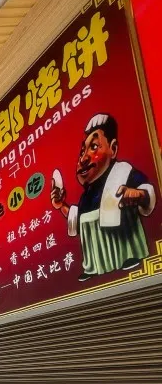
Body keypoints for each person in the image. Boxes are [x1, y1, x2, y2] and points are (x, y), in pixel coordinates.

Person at [51, 113, 157, 281]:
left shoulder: (123, 172)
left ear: (113, 149)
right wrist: (61, 205)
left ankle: (129, 256)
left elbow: (147, 193)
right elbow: (80, 220)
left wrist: (137, 194)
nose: (84, 158)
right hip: (98, 263)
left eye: (93, 147)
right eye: (82, 152)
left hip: (126, 258)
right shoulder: (88, 193)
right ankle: (91, 268)